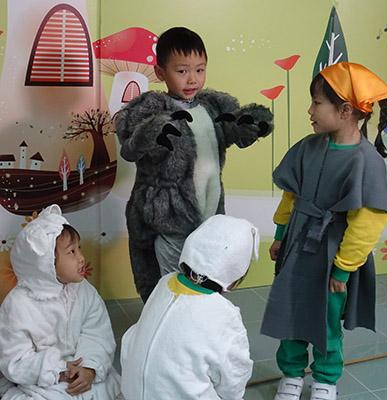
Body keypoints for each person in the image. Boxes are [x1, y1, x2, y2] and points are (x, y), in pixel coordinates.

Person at [261, 62, 387, 400]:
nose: (310, 110)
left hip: (333, 253)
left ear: (345, 110)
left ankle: (325, 378)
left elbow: (367, 222)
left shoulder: (366, 160)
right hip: (298, 244)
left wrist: (342, 268)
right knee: (291, 309)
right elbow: (291, 194)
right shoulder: (308, 147)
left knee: (327, 317)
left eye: (317, 103)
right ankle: (292, 373)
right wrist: (280, 235)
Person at [115, 26, 273, 302]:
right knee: (171, 288)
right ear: (161, 72)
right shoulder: (151, 108)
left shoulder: (214, 106)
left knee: (206, 284)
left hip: (209, 216)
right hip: (169, 219)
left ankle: (199, 325)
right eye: (182, 71)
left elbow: (235, 132)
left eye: (200, 70)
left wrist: (252, 124)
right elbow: (130, 147)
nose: (192, 79)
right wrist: (155, 130)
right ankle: (167, 324)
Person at [120, 214, 259, 400]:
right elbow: (233, 378)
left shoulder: (164, 283)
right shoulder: (224, 316)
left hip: (132, 392)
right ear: (235, 276)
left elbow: (132, 338)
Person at [0, 204, 122, 400]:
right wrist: (58, 370)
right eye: (71, 252)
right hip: (40, 378)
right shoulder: (17, 306)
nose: (81, 258)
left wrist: (90, 368)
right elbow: (15, 360)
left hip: (81, 368)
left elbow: (97, 333)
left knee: (110, 387)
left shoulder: (84, 291)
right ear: (45, 263)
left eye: (79, 248)